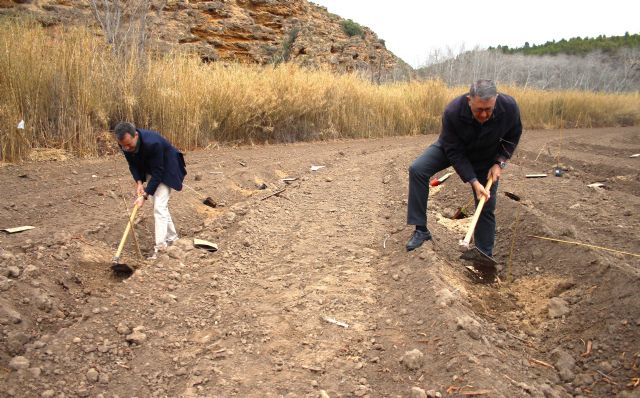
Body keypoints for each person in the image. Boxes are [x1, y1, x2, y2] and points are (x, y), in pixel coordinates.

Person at [405, 79, 522, 259]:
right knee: (418, 169)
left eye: (488, 109)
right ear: (469, 100)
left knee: (486, 204)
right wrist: (473, 181)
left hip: (486, 155)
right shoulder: (452, 111)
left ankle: (483, 253)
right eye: (479, 110)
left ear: (496, 100)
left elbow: (513, 136)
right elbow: (455, 153)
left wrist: (500, 162)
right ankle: (421, 230)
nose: (483, 115)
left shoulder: (510, 107)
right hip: (453, 149)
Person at [114, 122, 187, 259]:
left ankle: (160, 248)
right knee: (159, 207)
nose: (127, 148)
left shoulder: (153, 143)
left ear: (135, 135)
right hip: (150, 167)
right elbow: (132, 164)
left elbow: (158, 172)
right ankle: (173, 239)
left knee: (159, 207)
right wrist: (139, 183)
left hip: (166, 168)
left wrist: (145, 195)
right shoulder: (124, 144)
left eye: (129, 144)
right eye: (124, 146)